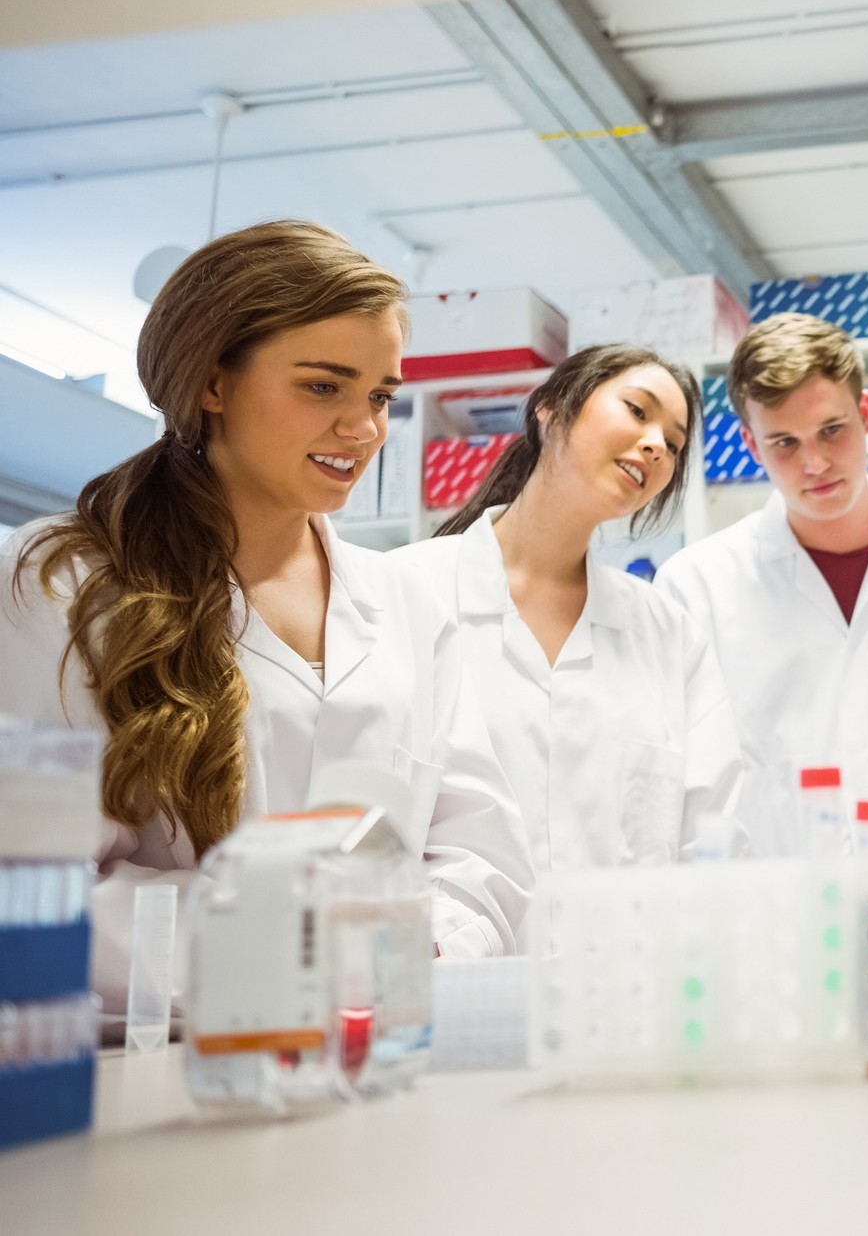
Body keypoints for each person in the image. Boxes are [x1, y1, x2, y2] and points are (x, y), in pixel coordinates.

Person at [0, 221, 531, 1003]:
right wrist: (299, 950)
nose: (363, 428)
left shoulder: (405, 606)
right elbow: (36, 880)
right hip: (163, 1069)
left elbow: (478, 849)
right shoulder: (66, 581)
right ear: (213, 383)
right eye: (323, 385)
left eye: (380, 395)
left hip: (376, 1052)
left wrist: (430, 947)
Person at [390, 346, 740, 891]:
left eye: (672, 444)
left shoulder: (668, 636)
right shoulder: (404, 592)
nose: (655, 445)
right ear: (550, 408)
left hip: (627, 972)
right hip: (448, 968)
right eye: (638, 411)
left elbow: (712, 842)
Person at [655, 313, 868, 851]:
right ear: (750, 445)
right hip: (782, 918)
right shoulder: (695, 588)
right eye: (784, 444)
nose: (814, 462)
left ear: (865, 414)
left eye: (831, 431)